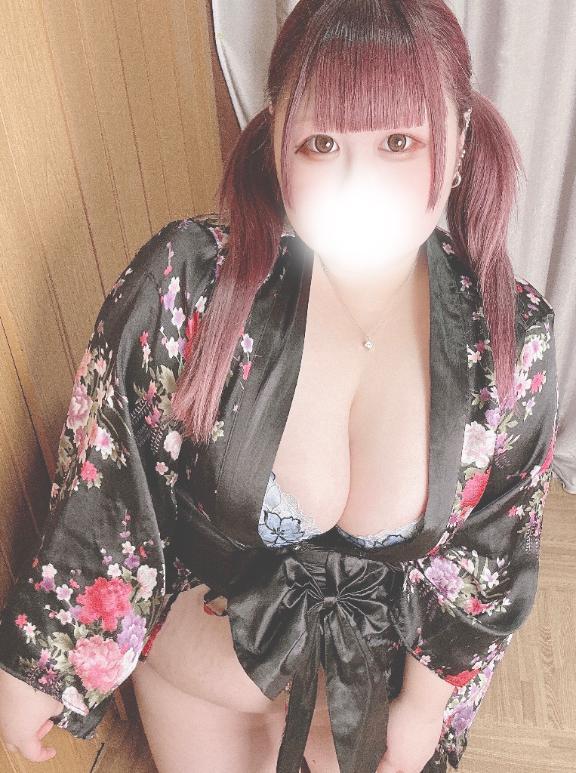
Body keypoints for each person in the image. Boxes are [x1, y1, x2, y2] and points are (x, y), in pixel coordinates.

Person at [0, 1, 559, 772]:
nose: (357, 183)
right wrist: (39, 665)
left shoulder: (510, 337)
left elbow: (489, 553)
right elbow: (109, 482)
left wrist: (423, 711)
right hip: (201, 673)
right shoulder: (190, 282)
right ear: (275, 138)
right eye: (322, 143)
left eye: (399, 141)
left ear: (459, 139)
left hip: (373, 693)